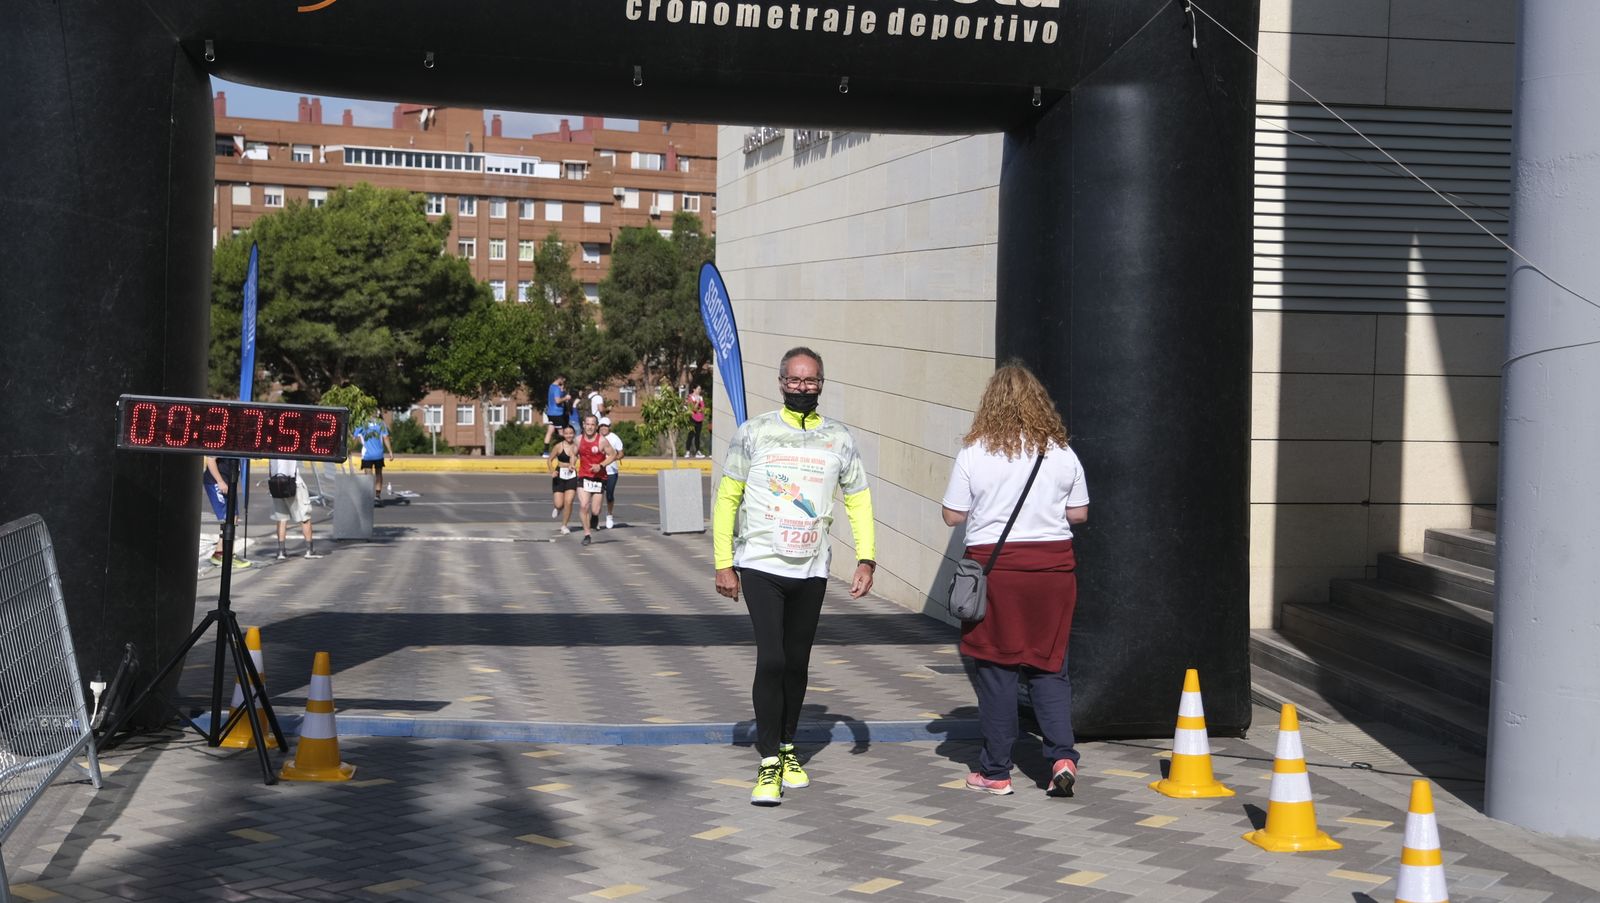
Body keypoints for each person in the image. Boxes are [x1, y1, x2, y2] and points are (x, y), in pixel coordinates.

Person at [713, 347, 876, 806]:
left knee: (798, 663)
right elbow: (728, 499)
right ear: (781, 381)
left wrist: (867, 558)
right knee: (772, 660)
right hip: (762, 564)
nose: (803, 388)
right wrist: (723, 561)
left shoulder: (839, 439)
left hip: (813, 567)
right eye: (795, 380)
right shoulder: (755, 433)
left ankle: (787, 746)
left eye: (812, 381)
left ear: (821, 384)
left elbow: (858, 499)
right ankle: (768, 763)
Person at [940, 362, 1089, 798]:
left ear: (991, 403)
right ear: (1040, 404)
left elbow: (954, 514)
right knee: (1049, 666)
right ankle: (1062, 756)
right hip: (1054, 573)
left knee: (997, 672)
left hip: (997, 573)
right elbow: (1079, 514)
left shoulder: (976, 452)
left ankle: (996, 772)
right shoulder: (1062, 452)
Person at [574, 414, 618, 546]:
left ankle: (594, 517)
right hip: (583, 476)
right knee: (583, 505)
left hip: (599, 477)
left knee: (595, 510)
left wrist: (601, 465)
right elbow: (573, 454)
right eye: (588, 424)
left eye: (593, 424)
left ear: (596, 426)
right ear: (583, 424)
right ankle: (587, 534)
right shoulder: (578, 439)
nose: (590, 427)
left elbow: (613, 455)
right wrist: (572, 463)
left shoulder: (602, 441)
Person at [268, 458, 323, 560]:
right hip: (294, 482)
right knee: (305, 516)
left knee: (281, 518)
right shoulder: (291, 445)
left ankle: (281, 551)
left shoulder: (272, 445)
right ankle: (309, 550)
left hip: (275, 483)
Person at [202, 455, 251, 568]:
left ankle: (220, 553)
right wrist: (220, 481)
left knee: (233, 517)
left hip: (228, 483)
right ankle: (226, 555)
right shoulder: (223, 441)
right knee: (228, 517)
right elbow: (210, 459)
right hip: (216, 482)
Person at [547, 424, 579, 534]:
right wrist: (552, 471)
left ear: (574, 434)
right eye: (566, 433)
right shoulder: (558, 446)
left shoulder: (576, 447)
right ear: (563, 434)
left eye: (571, 433)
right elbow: (549, 460)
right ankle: (558, 508)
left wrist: (572, 465)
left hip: (571, 475)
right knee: (559, 504)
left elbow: (574, 458)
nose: (569, 435)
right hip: (559, 474)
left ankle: (564, 526)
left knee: (569, 502)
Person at [352, 417, 393, 500]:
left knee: (368, 476)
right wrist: (390, 452)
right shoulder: (380, 423)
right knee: (378, 474)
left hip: (367, 455)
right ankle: (377, 496)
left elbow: (355, 438)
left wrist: (350, 449)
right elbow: (386, 437)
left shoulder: (361, 423)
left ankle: (369, 496)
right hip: (378, 454)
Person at [598, 417, 625, 530]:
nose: (604, 428)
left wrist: (612, 459)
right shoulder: (595, 437)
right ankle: (595, 519)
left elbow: (621, 453)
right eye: (602, 426)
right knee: (597, 496)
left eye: (606, 426)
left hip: (611, 471)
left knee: (609, 495)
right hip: (598, 471)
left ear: (609, 427)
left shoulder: (614, 438)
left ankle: (609, 515)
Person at [542, 375, 570, 455]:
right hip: (557, 413)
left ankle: (546, 452)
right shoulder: (557, 388)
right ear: (559, 379)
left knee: (550, 431)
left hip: (550, 413)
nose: (563, 382)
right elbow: (557, 401)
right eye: (563, 380)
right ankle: (564, 452)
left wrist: (562, 392)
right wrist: (566, 398)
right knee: (563, 433)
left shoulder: (551, 387)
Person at [686, 384, 707, 458]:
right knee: (691, 434)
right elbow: (693, 409)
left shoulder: (701, 398)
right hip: (693, 418)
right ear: (694, 389)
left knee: (698, 435)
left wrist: (699, 407)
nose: (699, 391)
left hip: (699, 418)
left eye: (700, 389)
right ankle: (687, 451)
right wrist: (697, 403)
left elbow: (703, 408)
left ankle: (697, 451)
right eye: (698, 389)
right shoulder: (690, 397)